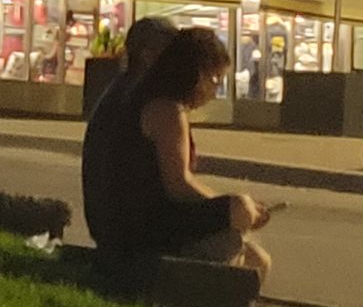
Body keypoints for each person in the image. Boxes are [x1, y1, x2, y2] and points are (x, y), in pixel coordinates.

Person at [94, 28, 272, 283]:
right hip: (145, 226)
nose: (216, 89)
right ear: (199, 76)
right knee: (239, 208)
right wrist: (231, 210)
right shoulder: (167, 112)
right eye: (216, 79)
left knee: (257, 258)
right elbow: (178, 184)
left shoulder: (145, 100)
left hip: (134, 220)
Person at [82, 16, 176, 252]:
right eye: (172, 53)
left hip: (108, 225)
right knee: (239, 248)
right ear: (148, 55)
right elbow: (177, 182)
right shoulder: (147, 102)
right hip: (133, 232)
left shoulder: (119, 92)